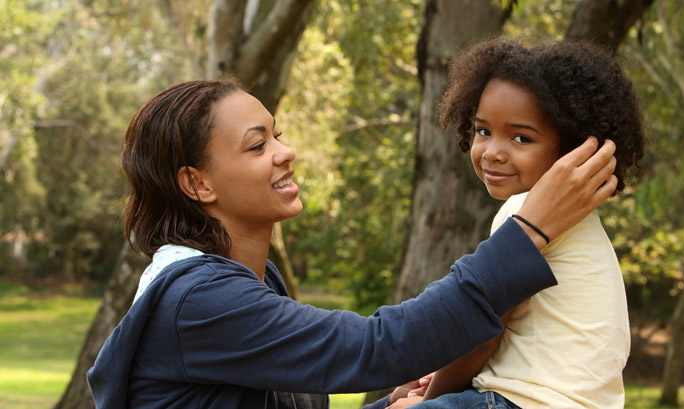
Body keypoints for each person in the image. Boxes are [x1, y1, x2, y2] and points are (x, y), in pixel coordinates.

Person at [86, 76, 618, 409]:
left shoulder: (246, 283)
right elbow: (371, 347)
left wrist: (393, 401)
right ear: (198, 184)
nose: (285, 151)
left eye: (276, 133)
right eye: (257, 145)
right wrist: (531, 232)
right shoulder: (197, 302)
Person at [400, 38, 644, 409]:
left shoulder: (531, 213)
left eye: (521, 137)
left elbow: (481, 335)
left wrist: (427, 402)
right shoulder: (578, 223)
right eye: (483, 131)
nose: (493, 152)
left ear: (571, 148)